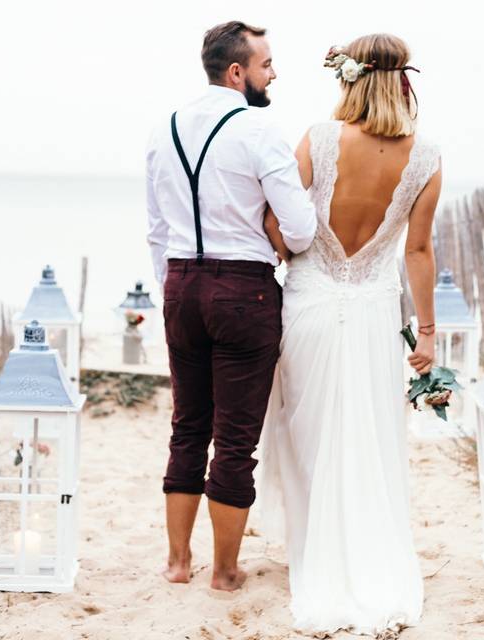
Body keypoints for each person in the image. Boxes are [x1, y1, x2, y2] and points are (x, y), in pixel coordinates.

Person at [259, 33, 442, 636]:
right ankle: (367, 552)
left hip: (308, 304)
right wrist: (428, 336)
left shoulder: (320, 137)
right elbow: (417, 250)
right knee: (366, 433)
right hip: (371, 312)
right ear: (402, 82)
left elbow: (277, 224)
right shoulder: (426, 156)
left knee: (305, 429)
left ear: (350, 78)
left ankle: (316, 552)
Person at [145, 20, 317, 591]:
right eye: (267, 64)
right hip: (243, 288)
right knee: (236, 437)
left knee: (187, 426)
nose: (274, 74)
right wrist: (280, 239)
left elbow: (155, 229)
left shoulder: (164, 128)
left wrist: (176, 288)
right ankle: (223, 570)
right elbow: (299, 228)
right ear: (237, 71)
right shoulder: (259, 130)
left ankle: (176, 563)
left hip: (180, 286)